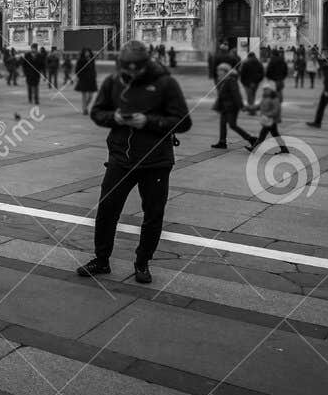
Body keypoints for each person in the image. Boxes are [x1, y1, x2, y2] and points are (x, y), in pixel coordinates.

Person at [79, 40, 193, 285]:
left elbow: (183, 121)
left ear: (146, 65)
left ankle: (142, 262)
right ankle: (101, 259)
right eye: (126, 68)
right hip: (121, 158)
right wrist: (115, 117)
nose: (130, 73)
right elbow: (98, 113)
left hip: (156, 162)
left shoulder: (165, 83)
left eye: (135, 69)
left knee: (153, 214)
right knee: (107, 210)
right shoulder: (113, 82)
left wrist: (149, 122)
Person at [210, 63, 257, 150]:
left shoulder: (231, 80)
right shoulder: (224, 80)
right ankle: (222, 142)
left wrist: (241, 106)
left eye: (219, 70)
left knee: (232, 125)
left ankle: (251, 139)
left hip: (231, 107)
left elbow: (236, 94)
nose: (217, 72)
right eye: (217, 70)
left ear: (225, 71)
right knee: (222, 124)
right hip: (224, 106)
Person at [253, 77, 289, 154]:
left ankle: (254, 148)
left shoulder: (274, 98)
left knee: (263, 134)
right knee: (275, 134)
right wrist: (249, 108)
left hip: (272, 120)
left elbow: (276, 111)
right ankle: (284, 149)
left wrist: (267, 114)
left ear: (271, 89)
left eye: (266, 89)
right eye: (264, 89)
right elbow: (259, 106)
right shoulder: (265, 97)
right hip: (267, 119)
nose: (265, 91)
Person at [74, 47, 98, 114]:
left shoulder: (92, 59)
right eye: (85, 52)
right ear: (83, 53)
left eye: (88, 52)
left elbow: (93, 68)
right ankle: (84, 109)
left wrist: (94, 75)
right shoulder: (80, 60)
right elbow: (77, 70)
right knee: (84, 95)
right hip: (83, 79)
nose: (87, 53)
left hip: (91, 79)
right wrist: (79, 76)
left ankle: (85, 106)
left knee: (91, 96)